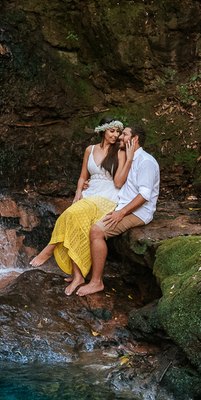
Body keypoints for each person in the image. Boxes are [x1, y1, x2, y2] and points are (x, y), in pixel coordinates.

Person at [29, 117, 135, 295]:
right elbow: (82, 176)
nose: (116, 135)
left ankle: (49, 249)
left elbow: (119, 182)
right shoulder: (90, 149)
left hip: (108, 197)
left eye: (118, 132)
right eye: (112, 131)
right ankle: (78, 275)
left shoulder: (120, 152)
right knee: (76, 224)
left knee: (69, 215)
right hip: (89, 194)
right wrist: (79, 191)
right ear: (103, 131)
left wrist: (129, 158)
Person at [76, 124, 159, 296]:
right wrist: (87, 183)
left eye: (125, 135)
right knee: (84, 218)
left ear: (135, 139)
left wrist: (121, 213)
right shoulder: (128, 158)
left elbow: (144, 195)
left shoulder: (146, 162)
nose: (120, 137)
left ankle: (96, 282)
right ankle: (80, 273)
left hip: (138, 212)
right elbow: (115, 182)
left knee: (96, 231)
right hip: (120, 204)